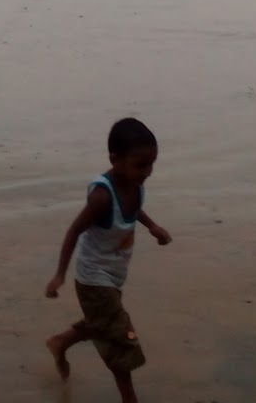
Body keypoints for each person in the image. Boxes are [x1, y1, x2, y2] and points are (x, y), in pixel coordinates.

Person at [44, 117, 172, 403]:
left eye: (152, 164)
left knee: (103, 323)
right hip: (93, 279)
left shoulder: (134, 183)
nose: (147, 172)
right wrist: (59, 275)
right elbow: (74, 231)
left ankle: (61, 341)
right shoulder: (102, 197)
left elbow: (134, 208)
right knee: (121, 339)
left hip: (113, 276)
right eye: (141, 165)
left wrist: (152, 226)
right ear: (115, 160)